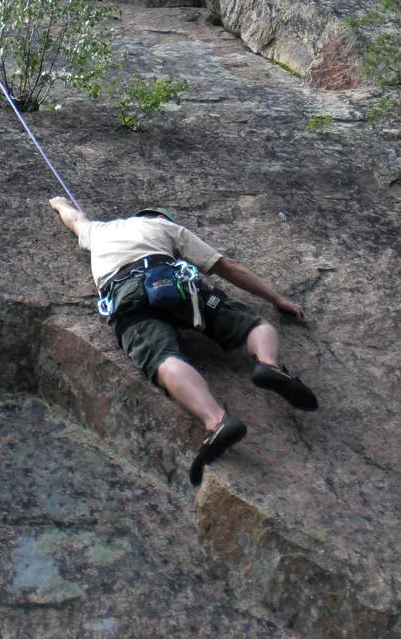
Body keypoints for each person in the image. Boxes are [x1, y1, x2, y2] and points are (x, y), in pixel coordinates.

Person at [49, 197, 318, 485]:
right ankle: (268, 364)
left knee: (162, 358)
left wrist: (59, 204)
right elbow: (227, 266)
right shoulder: (168, 229)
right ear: (162, 218)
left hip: (126, 295)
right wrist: (276, 299)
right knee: (252, 324)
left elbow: (76, 219)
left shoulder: (99, 231)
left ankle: (216, 421)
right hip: (176, 283)